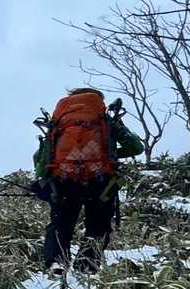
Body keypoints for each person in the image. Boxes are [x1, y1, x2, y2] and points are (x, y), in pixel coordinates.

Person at [32, 87, 144, 272]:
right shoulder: (105, 119)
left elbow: (42, 158)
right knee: (99, 224)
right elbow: (136, 148)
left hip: (64, 179)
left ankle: (56, 262)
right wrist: (112, 155)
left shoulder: (59, 121)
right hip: (100, 180)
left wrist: (42, 178)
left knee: (61, 223)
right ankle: (86, 266)